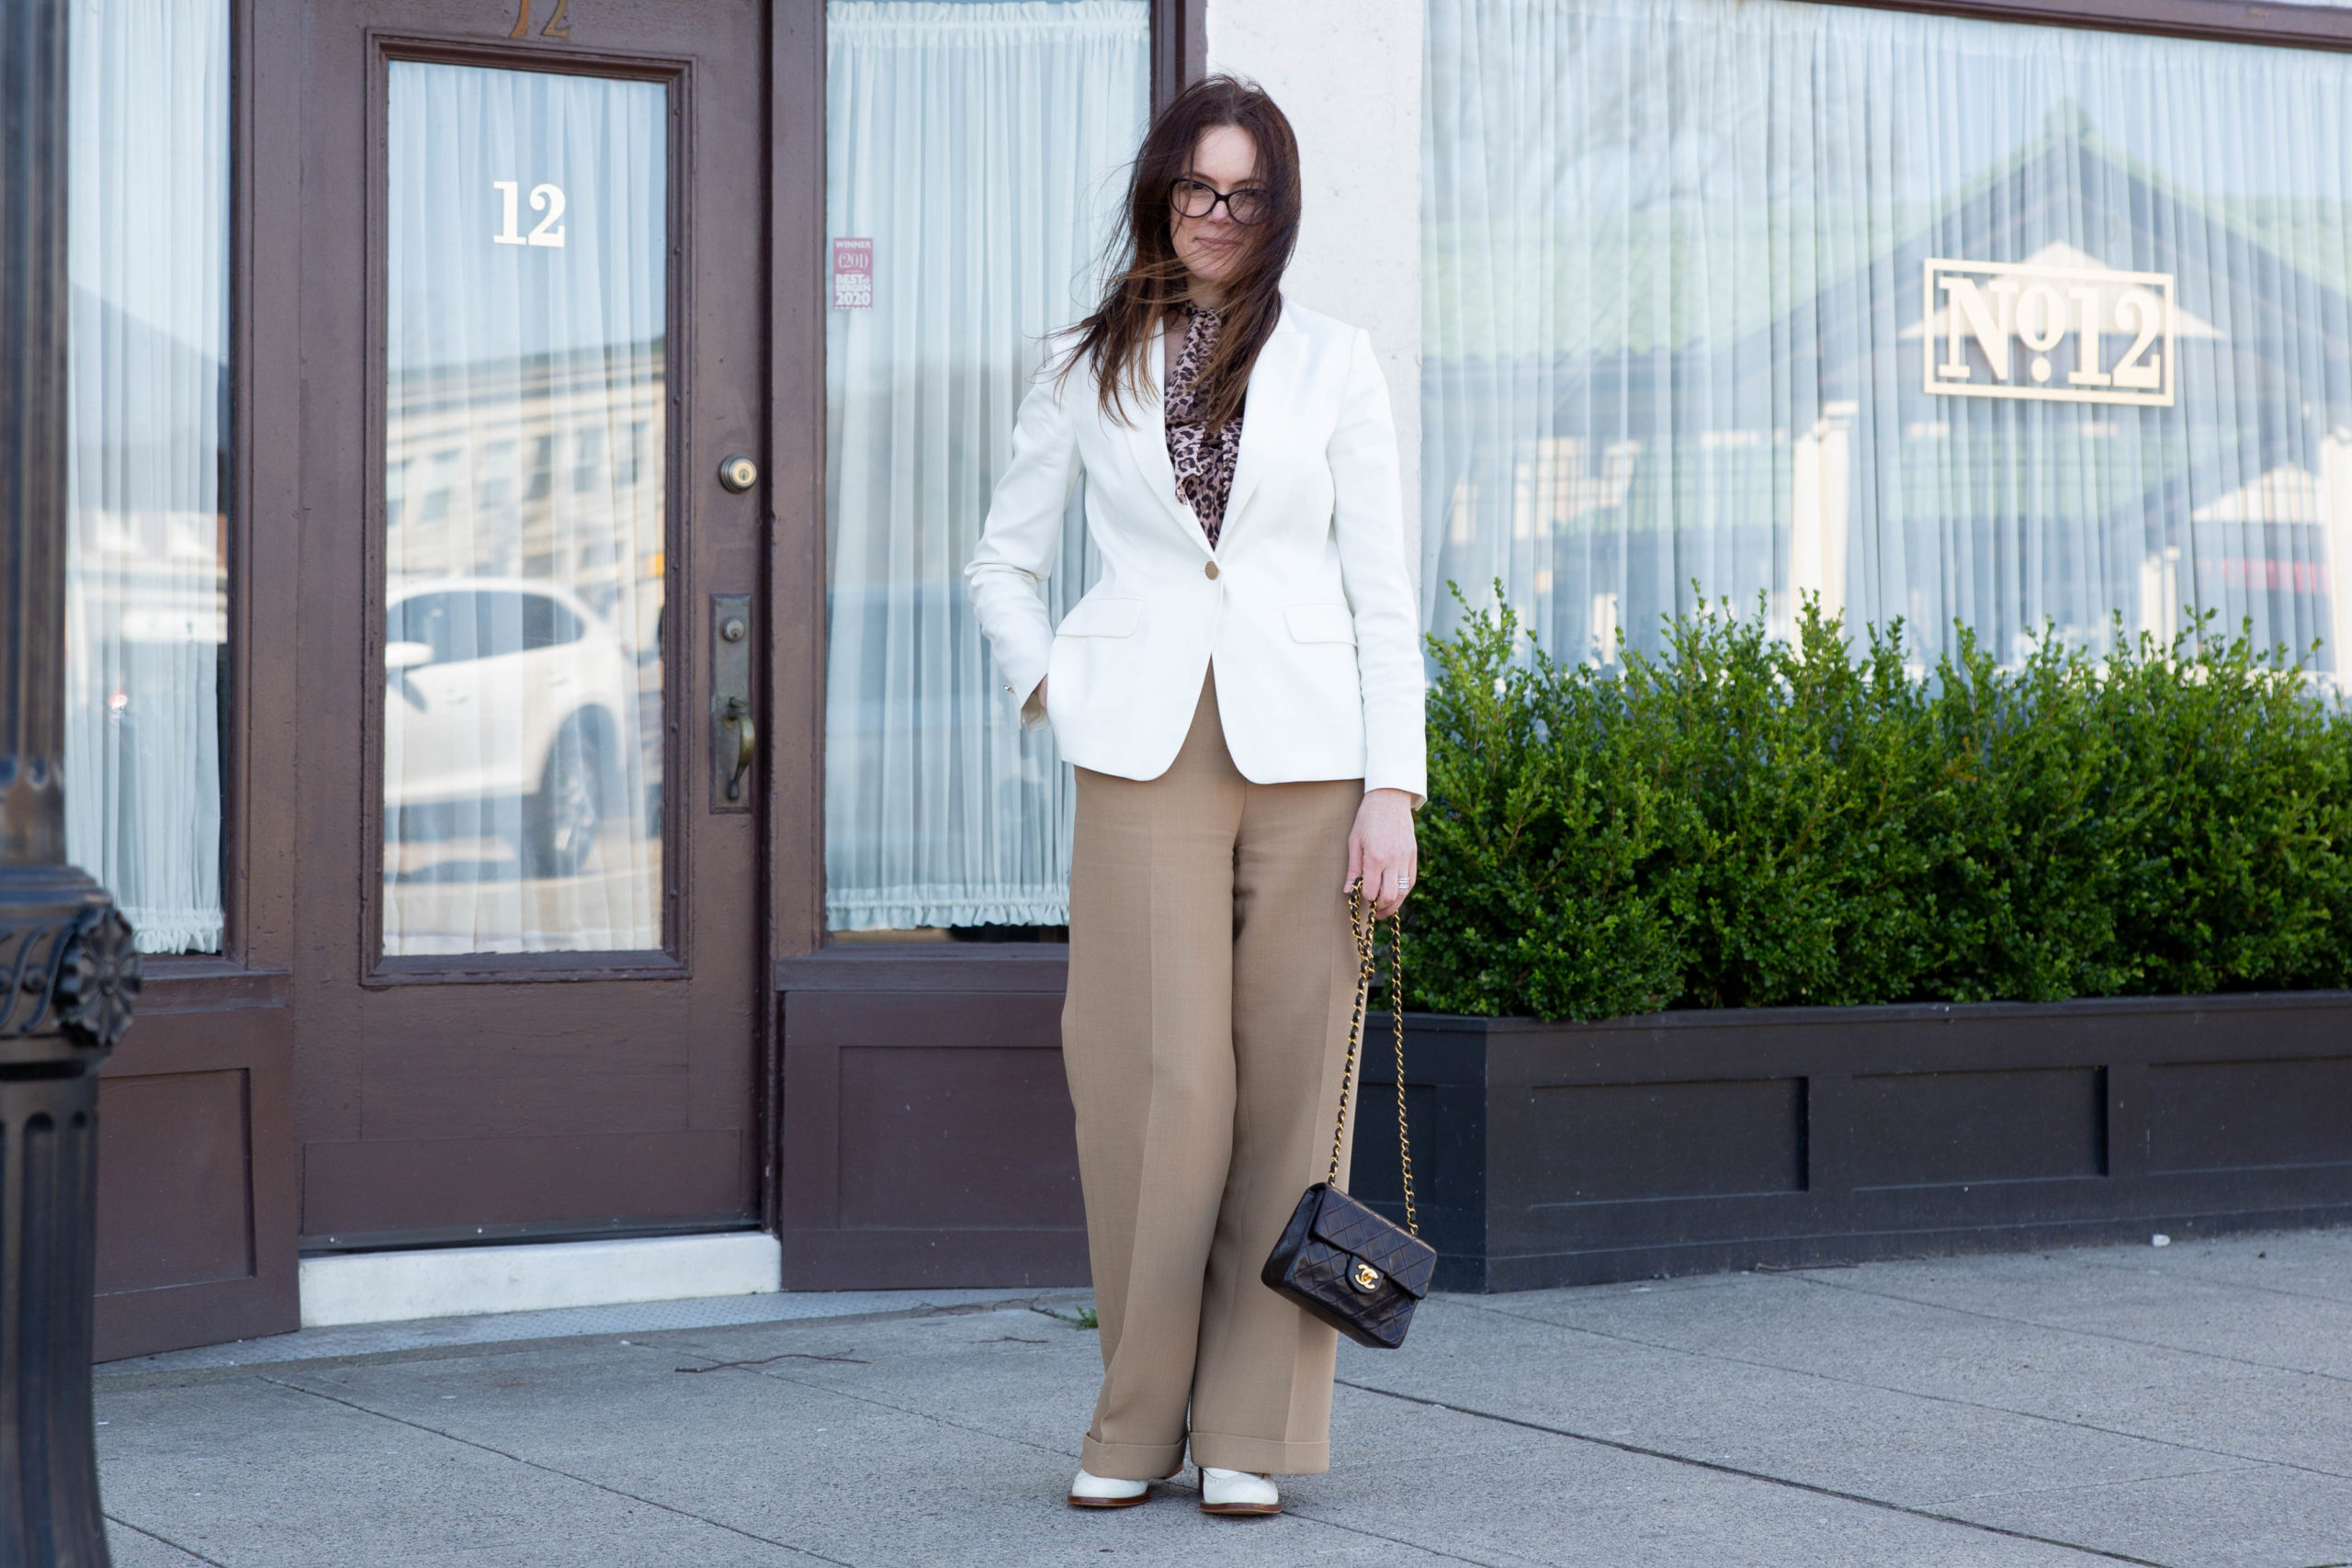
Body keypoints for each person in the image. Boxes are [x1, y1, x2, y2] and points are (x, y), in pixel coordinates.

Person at [964, 74, 1422, 1519]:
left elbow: (1383, 597)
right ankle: (1134, 1420)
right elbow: (1000, 565)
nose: (1219, 217)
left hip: (1312, 763)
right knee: (1154, 1091)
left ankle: (1250, 1433)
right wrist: (1060, 691)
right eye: (1197, 190)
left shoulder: (1338, 361)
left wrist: (1392, 788)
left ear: (1279, 211)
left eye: (1248, 195)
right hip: (1143, 751)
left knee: (1295, 1101)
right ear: (1161, 192)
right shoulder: (1080, 361)